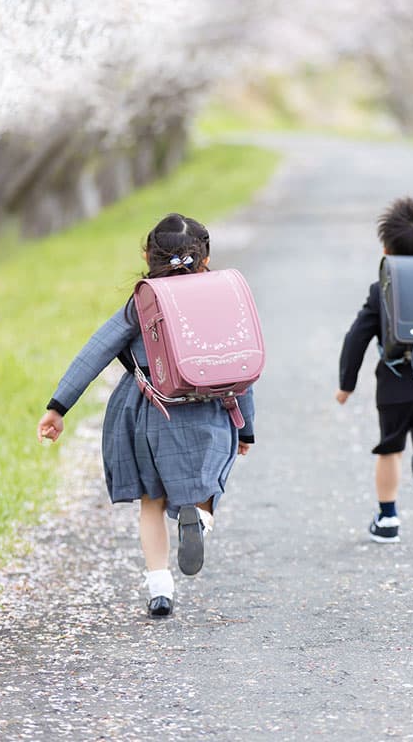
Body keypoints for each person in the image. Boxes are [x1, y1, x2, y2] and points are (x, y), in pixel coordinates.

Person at [36, 213, 255, 617]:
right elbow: (240, 366)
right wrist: (247, 429)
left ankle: (160, 588)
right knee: (206, 483)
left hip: (150, 411)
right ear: (205, 257)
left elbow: (96, 351)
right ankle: (199, 517)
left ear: (147, 254)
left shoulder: (143, 301)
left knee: (151, 502)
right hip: (209, 409)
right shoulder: (222, 296)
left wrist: (58, 406)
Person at [337, 197, 413, 544]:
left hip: (393, 382)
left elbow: (357, 336)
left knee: (389, 448)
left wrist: (347, 383)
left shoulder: (381, 289)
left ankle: (387, 519)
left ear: (385, 250)